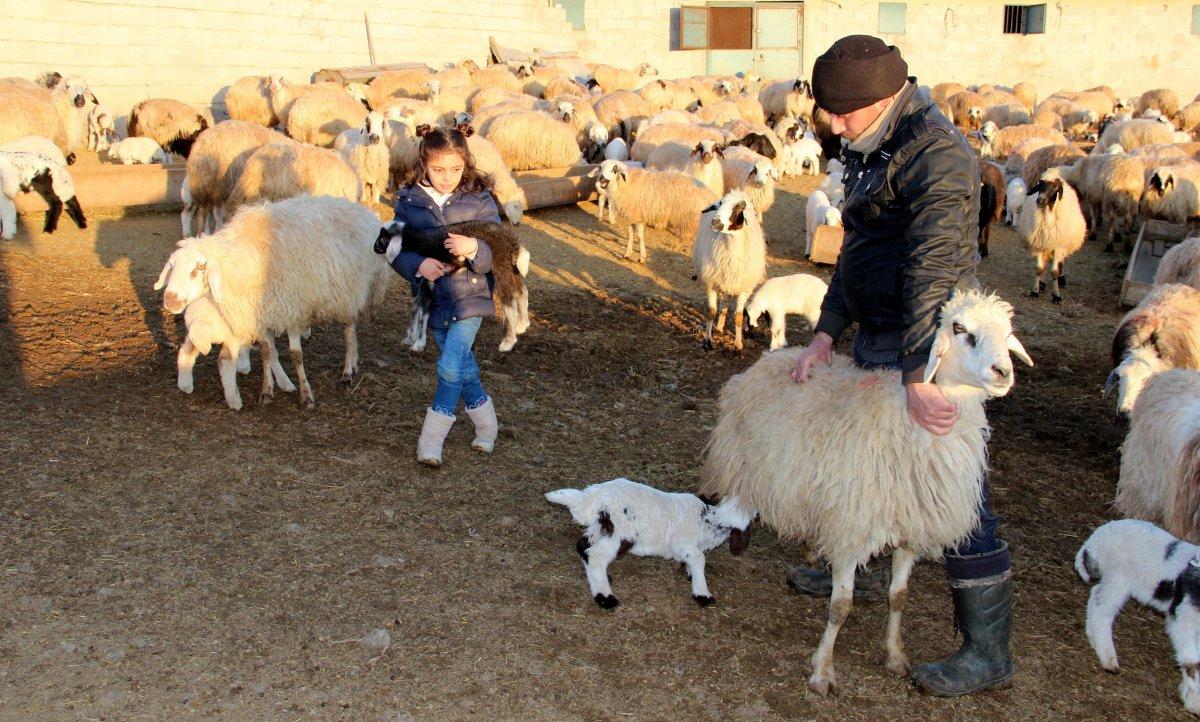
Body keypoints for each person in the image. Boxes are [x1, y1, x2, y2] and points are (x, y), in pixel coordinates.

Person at [787, 35, 1011, 696]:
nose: (831, 123)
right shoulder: (873, 144)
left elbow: (934, 271)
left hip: (929, 347)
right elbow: (857, 243)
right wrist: (829, 329)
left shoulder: (937, 155)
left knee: (951, 486)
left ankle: (988, 650)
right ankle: (847, 562)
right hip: (878, 332)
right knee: (865, 463)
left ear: (880, 98)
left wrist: (919, 374)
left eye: (840, 110)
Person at [384, 127, 501, 467]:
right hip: (433, 300)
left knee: (450, 366)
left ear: (466, 165)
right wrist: (418, 264)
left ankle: (431, 440)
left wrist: (475, 247)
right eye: (438, 170)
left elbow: (498, 250)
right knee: (462, 368)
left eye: (455, 169)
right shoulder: (408, 201)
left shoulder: (480, 200)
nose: (447, 177)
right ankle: (487, 426)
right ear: (424, 163)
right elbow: (390, 246)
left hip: (471, 296)